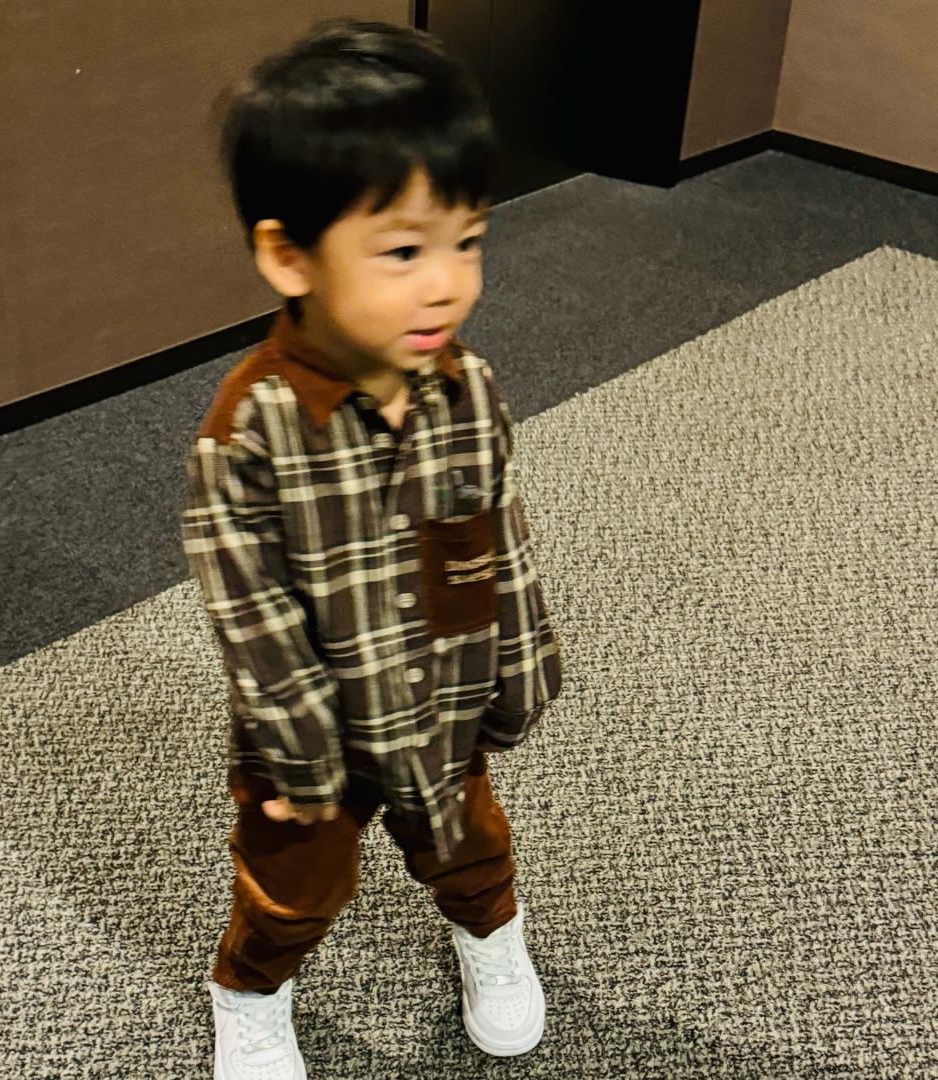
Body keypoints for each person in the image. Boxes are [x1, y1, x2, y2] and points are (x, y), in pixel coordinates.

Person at [180, 17, 563, 1080]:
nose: (447, 283)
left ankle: (491, 935)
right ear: (288, 256)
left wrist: (520, 665)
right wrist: (305, 763)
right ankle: (250, 990)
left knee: (469, 845)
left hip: (441, 697)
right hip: (313, 739)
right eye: (402, 251)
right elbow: (254, 623)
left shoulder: (467, 385)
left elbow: (496, 535)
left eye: (466, 241)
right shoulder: (248, 433)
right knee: (294, 886)